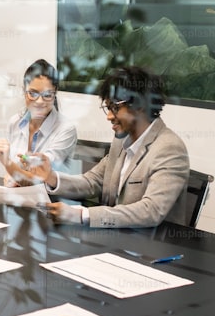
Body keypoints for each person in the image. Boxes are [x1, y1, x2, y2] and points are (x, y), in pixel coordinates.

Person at [18, 66, 190, 228]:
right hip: (113, 241)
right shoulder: (121, 141)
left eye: (115, 108)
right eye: (108, 108)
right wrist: (50, 177)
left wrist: (82, 215)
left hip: (151, 251)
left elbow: (151, 210)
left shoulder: (169, 148)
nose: (108, 116)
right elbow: (92, 181)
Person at [0, 59, 77, 186]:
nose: (40, 101)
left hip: (50, 201)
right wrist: (11, 175)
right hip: (17, 198)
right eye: (33, 93)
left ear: (55, 93)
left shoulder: (66, 129)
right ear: (24, 91)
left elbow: (37, 179)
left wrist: (8, 163)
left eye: (47, 95)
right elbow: (15, 175)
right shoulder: (15, 122)